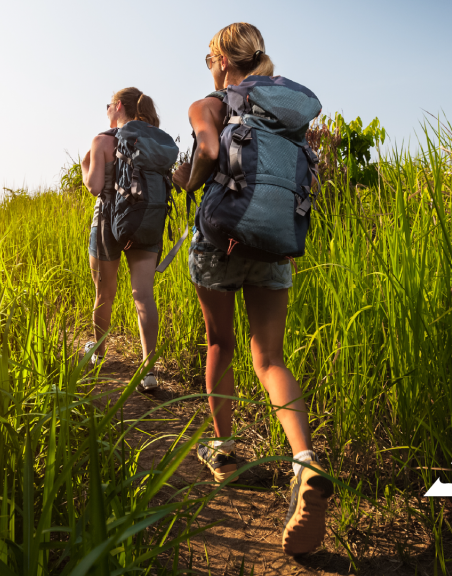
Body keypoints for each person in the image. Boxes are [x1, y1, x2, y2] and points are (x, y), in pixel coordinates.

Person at [171, 23, 333, 556]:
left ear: (220, 57)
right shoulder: (284, 111)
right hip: (274, 244)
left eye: (208, 56)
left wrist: (184, 179)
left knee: (221, 344)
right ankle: (305, 462)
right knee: (271, 359)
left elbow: (209, 153)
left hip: (220, 242)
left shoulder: (210, 103)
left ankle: (223, 452)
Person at [81, 87, 163, 392]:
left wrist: (84, 164)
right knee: (143, 295)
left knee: (105, 294)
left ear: (118, 107)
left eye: (108, 106)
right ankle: (149, 370)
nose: (107, 111)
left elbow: (94, 186)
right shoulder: (153, 142)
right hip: (145, 222)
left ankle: (99, 351)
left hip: (107, 223)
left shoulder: (103, 140)